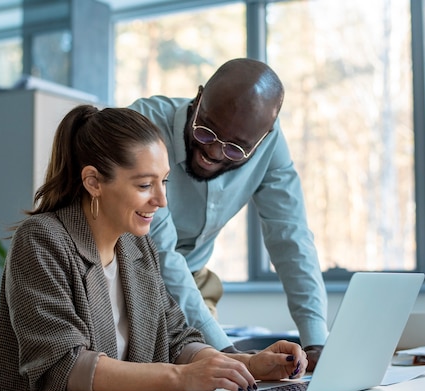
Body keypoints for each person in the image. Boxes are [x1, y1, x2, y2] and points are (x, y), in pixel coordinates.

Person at [0, 105, 307, 391]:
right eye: (144, 185)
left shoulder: (137, 248)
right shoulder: (41, 241)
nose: (162, 200)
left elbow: (176, 339)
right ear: (94, 182)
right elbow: (64, 366)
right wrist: (183, 378)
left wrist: (247, 364)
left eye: (163, 182)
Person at [128, 58, 328, 370]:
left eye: (235, 149)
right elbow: (160, 252)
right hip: (129, 281)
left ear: (262, 140)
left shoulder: (269, 145)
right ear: (198, 100)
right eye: (206, 132)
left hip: (194, 284)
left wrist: (317, 340)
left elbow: (291, 237)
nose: (213, 153)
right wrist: (228, 354)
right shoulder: (144, 126)